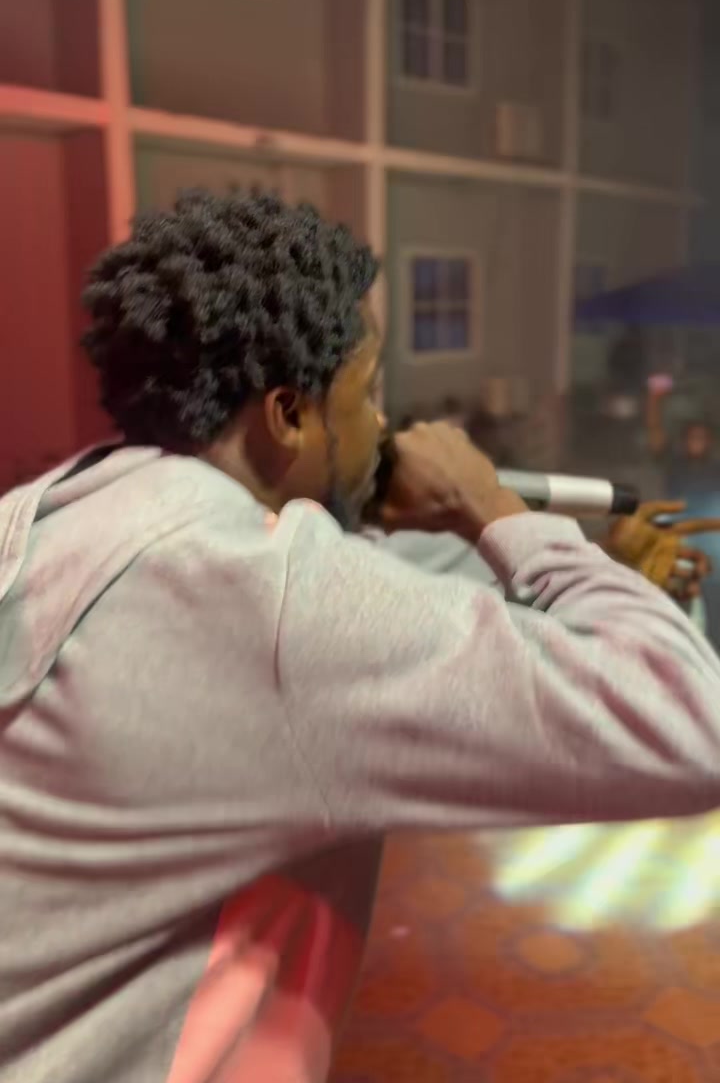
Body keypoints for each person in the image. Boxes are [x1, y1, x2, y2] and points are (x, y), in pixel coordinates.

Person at [2, 191, 720, 1083]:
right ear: (288, 415)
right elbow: (691, 724)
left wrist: (582, 571)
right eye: (367, 392)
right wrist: (490, 506)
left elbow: (380, 597)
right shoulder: (271, 608)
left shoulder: (74, 509)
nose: (383, 424)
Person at [647, 377, 720, 640]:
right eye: (692, 437)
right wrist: (655, 399)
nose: (696, 442)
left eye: (701, 438)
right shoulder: (674, 462)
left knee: (713, 593)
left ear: (708, 441)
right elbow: (655, 433)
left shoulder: (714, 467)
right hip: (681, 532)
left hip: (710, 538)